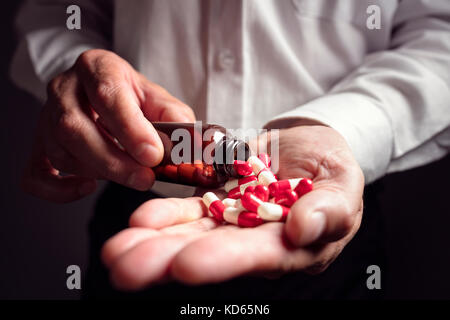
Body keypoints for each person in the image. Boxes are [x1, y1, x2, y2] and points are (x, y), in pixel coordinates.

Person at [11, 0, 450, 299]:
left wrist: (343, 128)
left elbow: (439, 32)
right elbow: (58, 11)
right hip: (140, 207)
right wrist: (78, 74)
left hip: (324, 205)